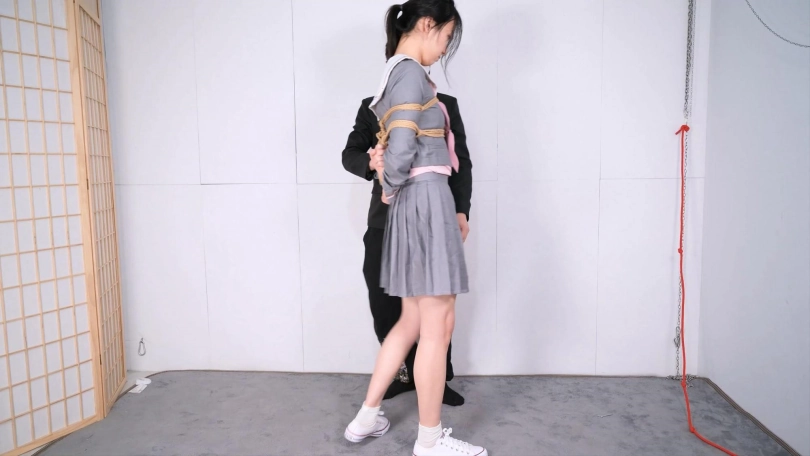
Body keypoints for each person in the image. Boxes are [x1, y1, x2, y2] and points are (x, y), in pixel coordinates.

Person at [343, 1, 487, 455]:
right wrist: (389, 186)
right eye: (445, 37)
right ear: (428, 25)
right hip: (425, 200)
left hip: (416, 203)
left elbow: (399, 143)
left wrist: (392, 186)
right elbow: (403, 146)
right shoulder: (408, 72)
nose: (444, 49)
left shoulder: (396, 73)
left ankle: (366, 418)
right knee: (437, 325)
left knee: (410, 321)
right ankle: (429, 441)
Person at [341, 64, 472, 409]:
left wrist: (461, 211)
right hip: (385, 221)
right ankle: (404, 375)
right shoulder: (372, 107)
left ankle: (436, 379)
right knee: (383, 302)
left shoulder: (445, 105)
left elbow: (461, 163)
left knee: (435, 307)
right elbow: (350, 154)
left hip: (433, 219)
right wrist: (372, 162)